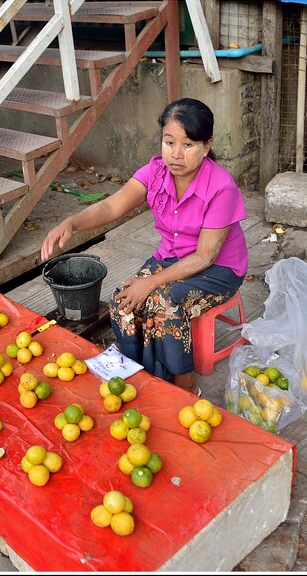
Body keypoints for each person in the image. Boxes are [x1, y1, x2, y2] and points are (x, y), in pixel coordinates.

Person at [41, 98, 248, 396]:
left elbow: (205, 256)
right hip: (172, 257)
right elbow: (113, 206)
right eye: (169, 142)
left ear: (206, 146)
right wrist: (73, 223)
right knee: (123, 301)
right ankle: (140, 371)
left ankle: (185, 383)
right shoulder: (155, 173)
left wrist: (150, 282)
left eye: (188, 145)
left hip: (218, 269)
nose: (176, 154)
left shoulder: (221, 187)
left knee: (164, 303)